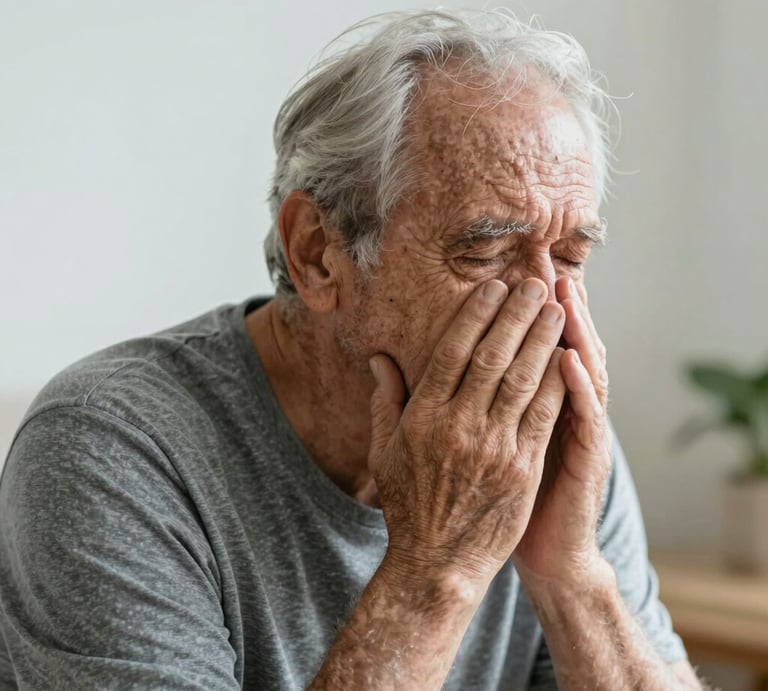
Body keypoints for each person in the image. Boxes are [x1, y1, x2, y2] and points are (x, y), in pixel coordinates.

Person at [0, 10, 708, 690]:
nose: (549, 313)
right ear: (318, 254)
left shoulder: (550, 433)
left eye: (571, 256)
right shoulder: (109, 447)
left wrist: (574, 576)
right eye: (487, 251)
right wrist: (434, 571)